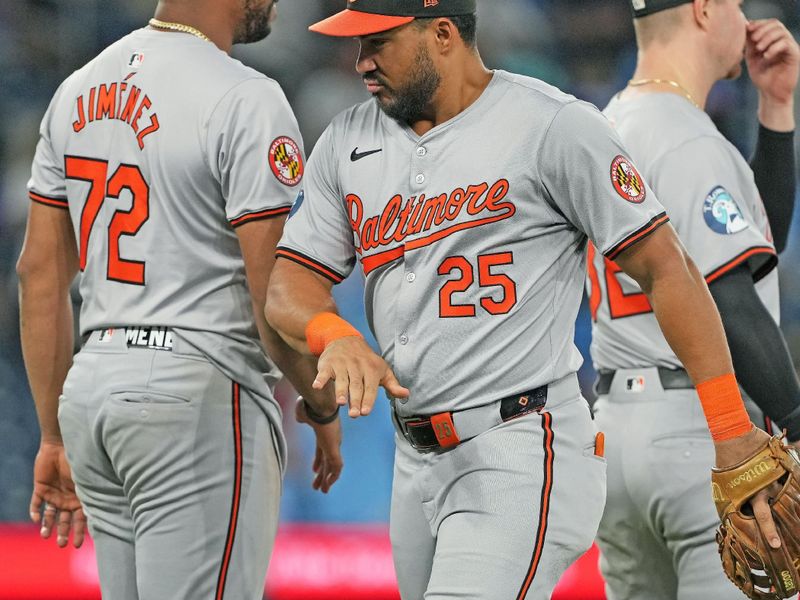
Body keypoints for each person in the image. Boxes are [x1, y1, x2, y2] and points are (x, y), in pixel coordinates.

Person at [264, 1, 789, 598]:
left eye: (378, 42)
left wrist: (731, 429)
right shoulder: (347, 139)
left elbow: (669, 269)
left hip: (520, 445)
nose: (361, 62)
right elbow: (288, 286)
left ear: (442, 34)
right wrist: (335, 333)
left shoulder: (552, 125)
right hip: (416, 462)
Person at [17, 0, 343, 598]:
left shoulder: (77, 88)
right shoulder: (246, 96)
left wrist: (53, 435)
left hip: (93, 393)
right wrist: (320, 404)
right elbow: (270, 292)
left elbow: (38, 274)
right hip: (193, 394)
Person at [586, 0, 799, 597]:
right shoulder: (684, 137)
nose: (746, 17)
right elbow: (730, 299)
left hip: (618, 431)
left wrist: (776, 109)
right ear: (705, 10)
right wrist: (797, 423)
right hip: (698, 428)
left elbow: (753, 252)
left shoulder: (610, 123)